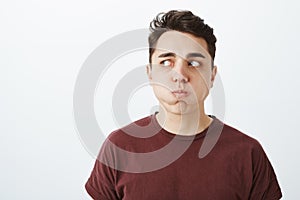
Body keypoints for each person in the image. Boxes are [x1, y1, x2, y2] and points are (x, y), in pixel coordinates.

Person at [85, 10, 282, 199]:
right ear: (150, 73)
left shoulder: (248, 153)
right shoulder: (119, 147)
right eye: (166, 62)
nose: (180, 75)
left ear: (212, 76)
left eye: (194, 63)